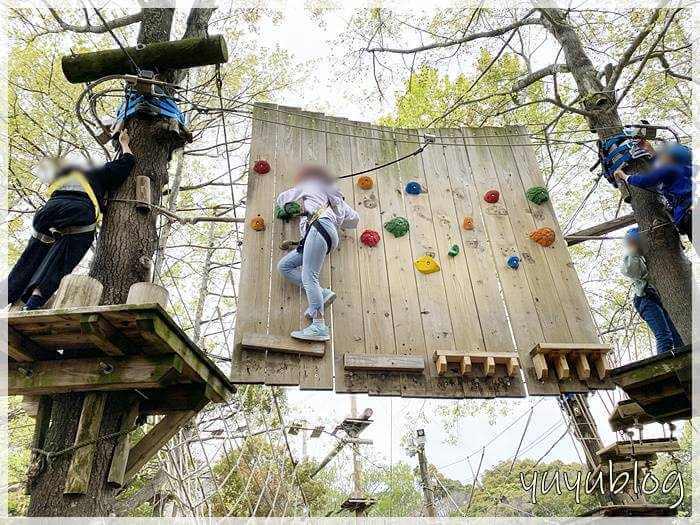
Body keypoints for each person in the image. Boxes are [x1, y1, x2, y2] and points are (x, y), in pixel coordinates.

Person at [4, 130, 135, 310]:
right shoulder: (99, 171)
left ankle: (5, 294)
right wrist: (125, 143)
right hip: (77, 212)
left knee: (29, 260)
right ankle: (34, 302)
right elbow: (127, 162)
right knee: (62, 257)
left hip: (46, 213)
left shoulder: (62, 176)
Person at [276, 165, 359, 341]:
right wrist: (335, 209)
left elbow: (283, 198)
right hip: (326, 234)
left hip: (318, 228)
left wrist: (290, 208)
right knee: (285, 266)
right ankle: (322, 294)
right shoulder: (335, 197)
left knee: (309, 276)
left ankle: (319, 325)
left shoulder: (311, 183)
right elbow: (354, 220)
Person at [621, 227, 683, 354]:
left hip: (661, 299)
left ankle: (683, 370)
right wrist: (633, 250)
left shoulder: (652, 256)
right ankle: (666, 369)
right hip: (646, 299)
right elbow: (631, 271)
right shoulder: (632, 257)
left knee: (677, 338)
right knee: (665, 337)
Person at [616, 142, 693, 242]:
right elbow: (661, 169)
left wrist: (625, 176)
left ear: (671, 159)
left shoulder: (670, 169)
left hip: (689, 216)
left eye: (664, 155)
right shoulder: (687, 170)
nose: (661, 157)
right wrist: (650, 150)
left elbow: (647, 180)